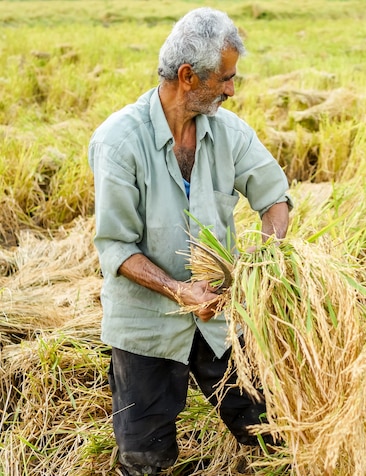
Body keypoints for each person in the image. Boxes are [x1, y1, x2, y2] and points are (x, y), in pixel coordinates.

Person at [88, 7, 292, 476]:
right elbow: (116, 247)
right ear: (187, 75)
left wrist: (262, 264)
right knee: (145, 458)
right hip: (146, 326)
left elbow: (275, 199)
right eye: (224, 78)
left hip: (222, 321)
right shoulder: (119, 142)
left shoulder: (229, 133)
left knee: (271, 434)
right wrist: (181, 291)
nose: (231, 89)